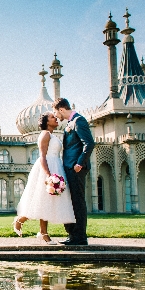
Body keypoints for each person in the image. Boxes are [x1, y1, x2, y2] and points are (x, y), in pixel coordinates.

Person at [13, 112, 76, 244]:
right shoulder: (45, 134)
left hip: (56, 166)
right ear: (47, 122)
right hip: (47, 168)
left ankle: (42, 233)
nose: (56, 118)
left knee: (46, 202)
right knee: (41, 200)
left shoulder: (52, 135)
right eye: (53, 117)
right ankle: (21, 220)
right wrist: (48, 175)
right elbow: (42, 156)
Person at [53, 98, 95, 246]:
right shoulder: (71, 123)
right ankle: (73, 235)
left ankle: (80, 237)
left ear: (62, 110)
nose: (56, 115)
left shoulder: (79, 121)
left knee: (78, 202)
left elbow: (89, 143)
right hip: (69, 167)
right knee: (72, 202)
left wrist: (80, 163)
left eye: (56, 112)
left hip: (76, 168)